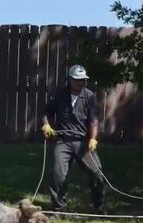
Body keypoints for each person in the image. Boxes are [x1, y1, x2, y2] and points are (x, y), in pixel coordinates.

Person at [41, 64, 105, 213]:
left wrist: (93, 138)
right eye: (78, 80)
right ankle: (59, 208)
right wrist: (46, 126)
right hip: (63, 140)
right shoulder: (59, 95)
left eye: (83, 80)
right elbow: (46, 112)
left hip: (83, 142)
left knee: (97, 174)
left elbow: (93, 120)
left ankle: (98, 206)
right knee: (58, 174)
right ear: (70, 80)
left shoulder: (89, 96)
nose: (81, 83)